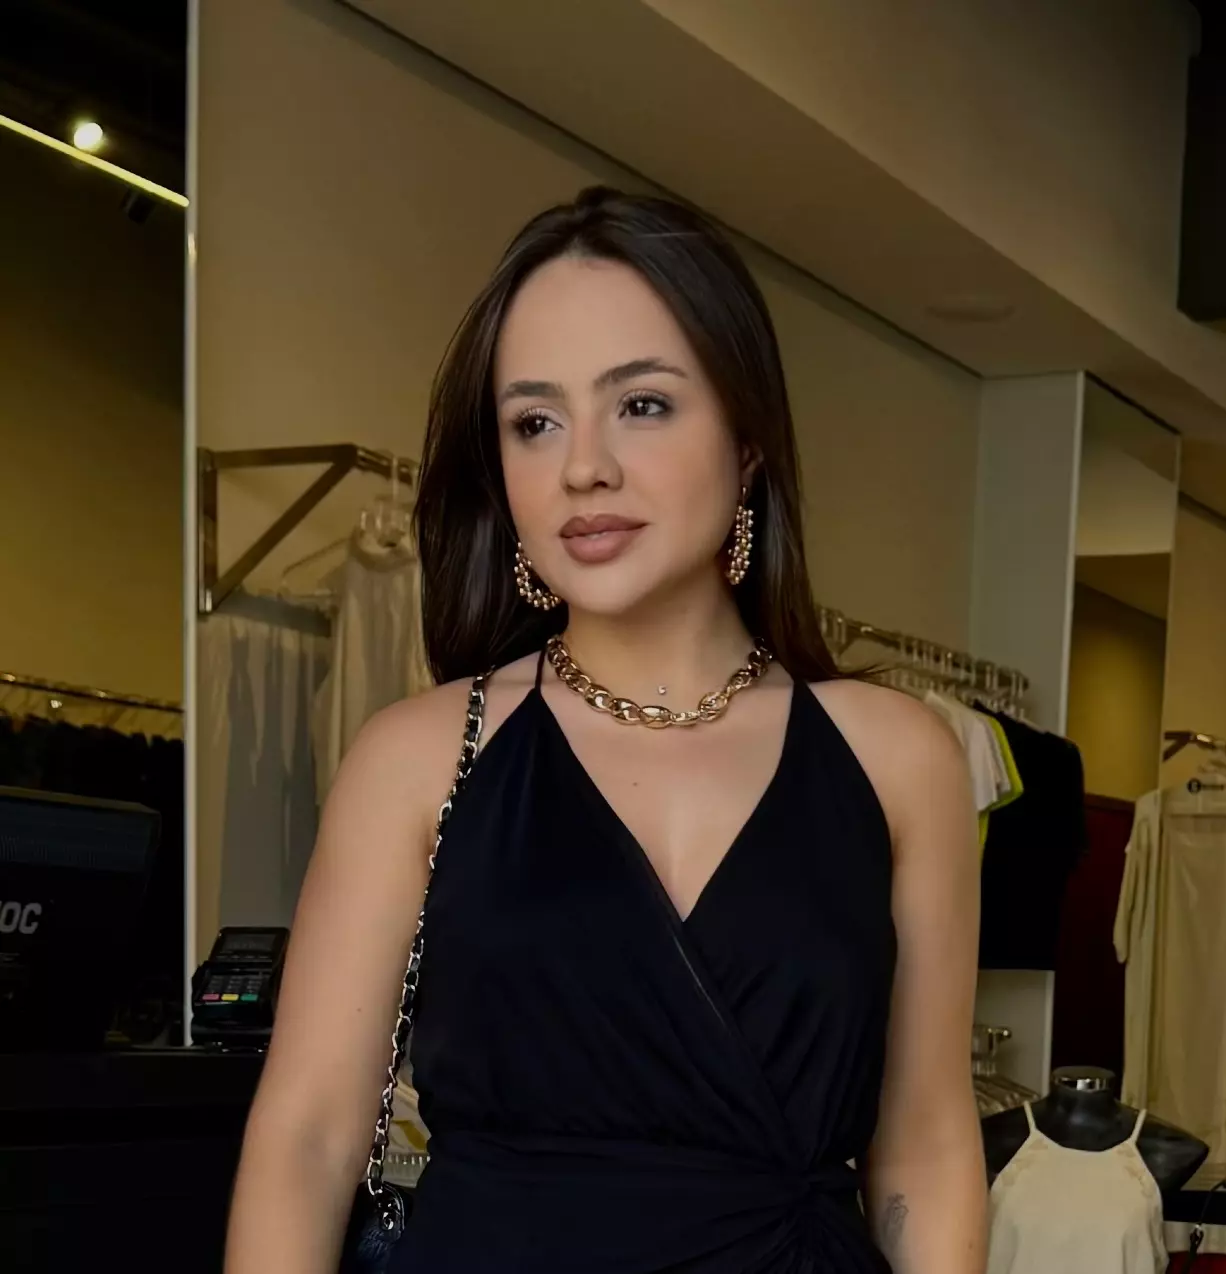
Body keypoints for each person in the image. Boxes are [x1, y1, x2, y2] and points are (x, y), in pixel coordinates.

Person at [223, 187, 986, 1274]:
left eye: (642, 404)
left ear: (748, 441)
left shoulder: (896, 758)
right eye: (535, 422)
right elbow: (307, 1138)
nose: (583, 466)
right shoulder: (420, 757)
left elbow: (925, 1146)